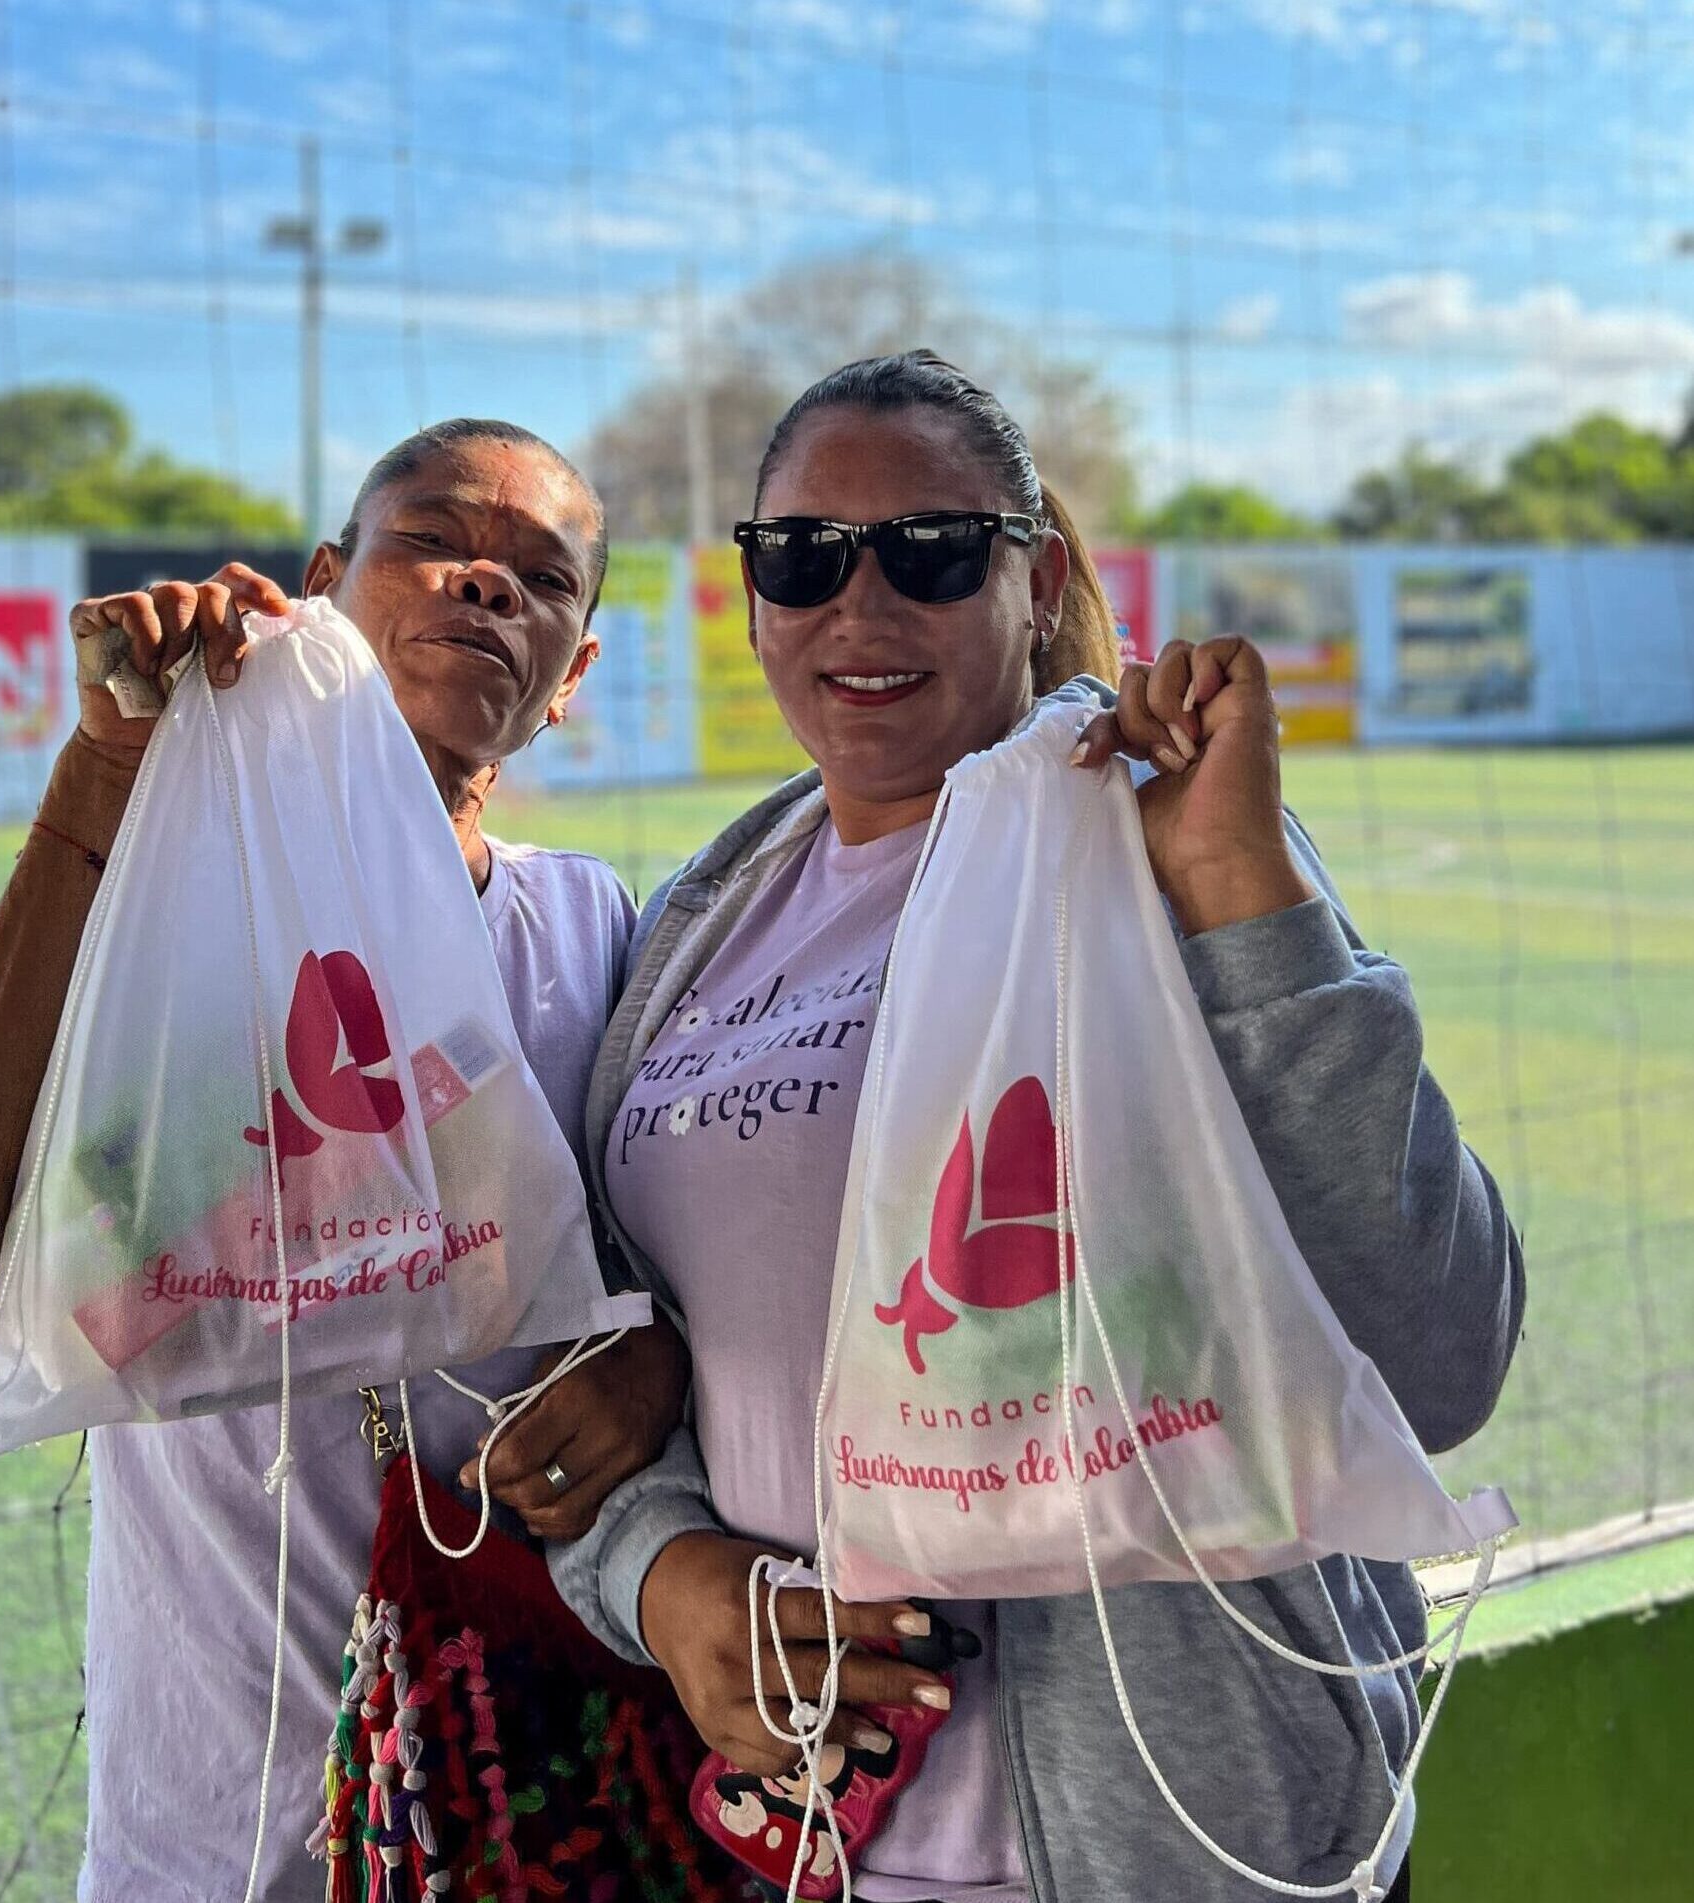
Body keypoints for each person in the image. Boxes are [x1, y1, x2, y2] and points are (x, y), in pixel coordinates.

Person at [552, 353, 1524, 1902]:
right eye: (801, 557)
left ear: (1036, 576)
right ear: (750, 597)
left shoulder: (1146, 833)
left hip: (1189, 1847)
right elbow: (619, 1367)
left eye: (929, 551)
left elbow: (1435, 1352)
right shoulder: (701, 916)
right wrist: (661, 1572)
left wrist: (1241, 902)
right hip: (821, 1848)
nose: (857, 608)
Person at [0, 417, 691, 1902]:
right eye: (430, 540)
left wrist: (660, 1356)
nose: (481, 584)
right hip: (213, 1833)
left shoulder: (594, 929)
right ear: (320, 584)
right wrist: (107, 771)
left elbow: (686, 1258)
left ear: (571, 681)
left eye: (539, 577)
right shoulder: (168, 908)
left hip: (537, 1793)